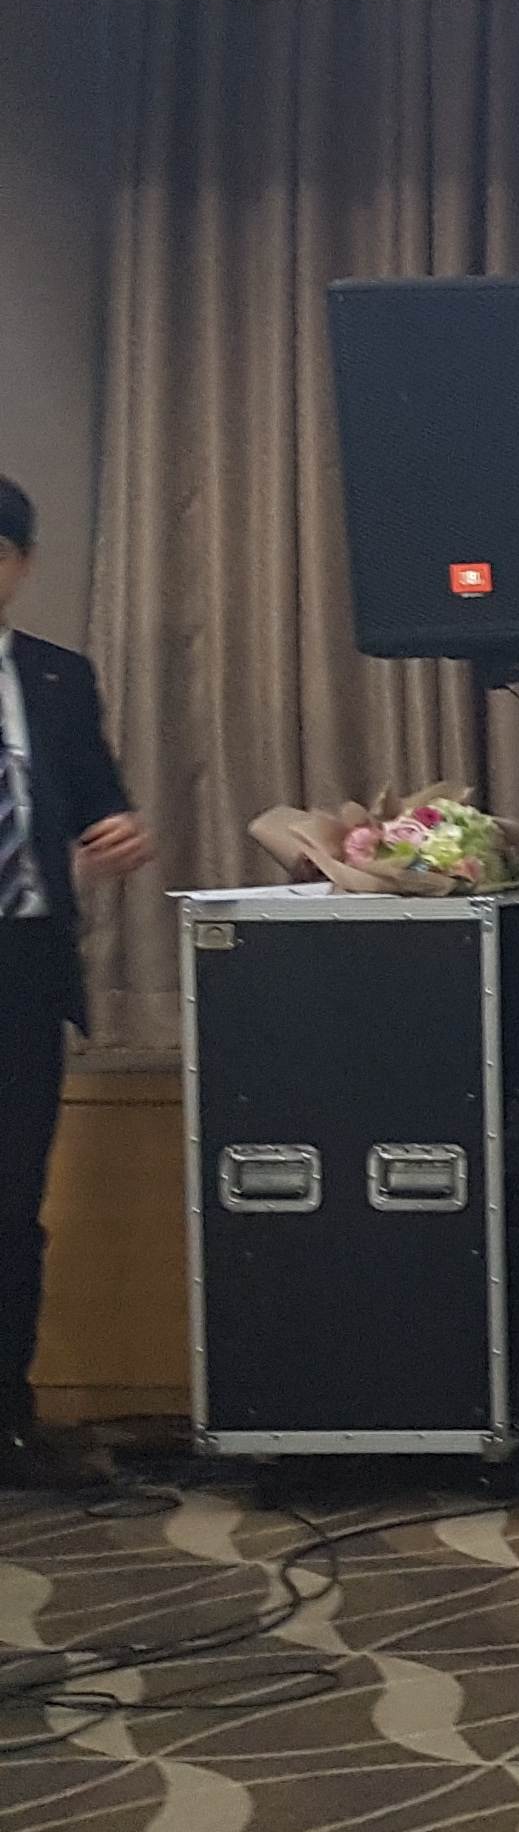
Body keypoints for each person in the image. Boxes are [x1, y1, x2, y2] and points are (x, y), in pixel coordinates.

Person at [0, 475, 155, 1494]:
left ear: (20, 566)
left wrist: (119, 833)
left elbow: (99, 801)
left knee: (13, 1205)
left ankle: (8, 1422)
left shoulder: (58, 676)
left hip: (23, 970)